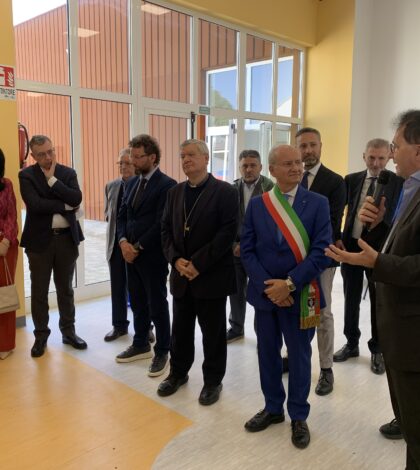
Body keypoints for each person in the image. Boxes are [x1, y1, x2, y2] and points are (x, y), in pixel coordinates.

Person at [326, 109, 420, 470]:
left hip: (414, 336)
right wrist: (378, 230)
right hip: (400, 331)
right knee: (411, 427)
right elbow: (400, 247)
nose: (391, 156)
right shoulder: (409, 188)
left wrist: (377, 262)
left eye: (396, 147)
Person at [241, 145, 331, 449]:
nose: (296, 168)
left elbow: (321, 251)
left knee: (300, 357)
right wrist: (271, 287)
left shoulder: (318, 203)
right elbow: (247, 250)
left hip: (301, 294)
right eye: (288, 164)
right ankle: (272, 408)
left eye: (298, 163)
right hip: (266, 296)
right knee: (267, 353)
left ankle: (298, 416)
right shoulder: (258, 205)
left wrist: (289, 284)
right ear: (272, 170)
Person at [158, 139, 238, 406]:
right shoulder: (174, 192)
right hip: (181, 275)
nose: (186, 160)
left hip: (211, 275)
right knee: (180, 330)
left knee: (213, 333)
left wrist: (197, 264)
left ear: (206, 158)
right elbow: (165, 230)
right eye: (182, 156)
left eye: (191, 155)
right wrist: (176, 260)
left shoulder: (225, 192)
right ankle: (177, 373)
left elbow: (227, 233)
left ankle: (213, 381)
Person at [334, 139, 403, 374]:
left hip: (379, 251)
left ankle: (377, 349)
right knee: (350, 298)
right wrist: (337, 236)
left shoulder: (399, 183)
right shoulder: (351, 179)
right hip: (351, 246)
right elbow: (339, 209)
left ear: (389, 157)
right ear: (364, 156)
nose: (376, 163)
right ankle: (351, 343)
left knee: (378, 302)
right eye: (371, 158)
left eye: (381, 158)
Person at [19, 135, 86, 358]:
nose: (48, 157)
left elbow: (76, 199)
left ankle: (69, 332)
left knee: (65, 289)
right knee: (39, 291)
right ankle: (41, 336)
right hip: (39, 242)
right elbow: (35, 205)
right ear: (33, 156)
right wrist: (64, 205)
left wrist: (52, 181)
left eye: (50, 151)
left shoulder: (68, 173)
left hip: (66, 239)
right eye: (41, 154)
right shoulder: (26, 175)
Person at [116, 134, 176, 377]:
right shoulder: (131, 183)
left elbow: (161, 223)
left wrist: (137, 247)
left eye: (138, 157)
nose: (133, 161)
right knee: (138, 302)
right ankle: (141, 343)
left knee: (157, 304)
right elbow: (122, 215)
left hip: (152, 256)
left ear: (152, 157)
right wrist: (123, 242)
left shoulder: (167, 185)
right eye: (132, 156)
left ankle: (163, 350)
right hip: (130, 254)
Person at [294, 127, 346, 396]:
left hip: (321, 259)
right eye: (303, 146)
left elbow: (333, 223)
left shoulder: (334, 182)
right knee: (294, 310)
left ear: (321, 146)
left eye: (312, 145)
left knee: (322, 313)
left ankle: (326, 368)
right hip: (291, 259)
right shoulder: (289, 179)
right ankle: (294, 357)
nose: (308, 151)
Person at [227, 149, 273, 343]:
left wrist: (247, 245)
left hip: (259, 251)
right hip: (235, 250)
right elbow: (225, 222)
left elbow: (272, 224)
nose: (248, 169)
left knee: (260, 290)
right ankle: (236, 327)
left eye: (253, 165)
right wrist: (233, 245)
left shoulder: (270, 188)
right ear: (239, 167)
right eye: (244, 166)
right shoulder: (231, 189)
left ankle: (262, 331)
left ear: (261, 167)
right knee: (236, 290)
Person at [103, 148, 135, 341]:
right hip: (115, 244)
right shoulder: (111, 186)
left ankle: (145, 327)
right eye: (120, 163)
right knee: (117, 287)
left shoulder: (141, 185)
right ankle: (119, 326)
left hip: (135, 246)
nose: (123, 166)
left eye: (127, 163)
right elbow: (108, 214)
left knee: (138, 289)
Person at [0, 148, 19, 360]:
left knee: (4, 295)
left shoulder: (6, 185)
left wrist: (5, 241)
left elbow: (11, 215)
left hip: (5, 247)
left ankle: (5, 344)